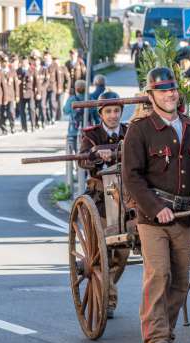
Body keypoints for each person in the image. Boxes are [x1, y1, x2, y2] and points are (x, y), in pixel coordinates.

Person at [122, 67, 190, 343]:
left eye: (172, 89)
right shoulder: (140, 130)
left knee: (180, 280)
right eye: (163, 91)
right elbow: (131, 177)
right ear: (151, 96)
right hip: (152, 216)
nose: (170, 94)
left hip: (185, 215)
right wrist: (156, 209)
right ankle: (155, 337)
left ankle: (167, 333)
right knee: (159, 274)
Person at [77, 91, 130, 320]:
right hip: (101, 196)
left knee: (124, 250)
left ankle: (106, 284)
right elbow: (82, 160)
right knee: (104, 248)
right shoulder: (90, 134)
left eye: (116, 111)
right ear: (101, 114)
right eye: (108, 111)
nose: (113, 115)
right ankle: (108, 298)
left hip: (127, 195)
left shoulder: (130, 132)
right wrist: (97, 154)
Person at [63, 79, 85, 153]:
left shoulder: (72, 99)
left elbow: (66, 111)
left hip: (73, 128)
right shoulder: (90, 98)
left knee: (70, 141)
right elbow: (95, 114)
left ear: (76, 89)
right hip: (87, 129)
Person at [17, 56, 37, 134]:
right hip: (21, 93)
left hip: (30, 92)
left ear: (27, 62)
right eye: (22, 62)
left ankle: (33, 125)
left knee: (31, 109)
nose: (23, 63)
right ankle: (24, 127)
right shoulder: (18, 70)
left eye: (25, 61)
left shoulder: (32, 70)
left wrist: (37, 92)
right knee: (22, 111)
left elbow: (36, 82)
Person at [0, 56, 18, 135]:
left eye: (6, 62)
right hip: (1, 96)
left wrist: (17, 95)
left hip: (11, 95)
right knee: (2, 113)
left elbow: (16, 84)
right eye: (3, 62)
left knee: (11, 112)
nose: (5, 63)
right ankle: (4, 128)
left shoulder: (12, 72)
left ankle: (12, 126)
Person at [43, 52, 58, 125]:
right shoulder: (42, 65)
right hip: (44, 87)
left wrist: (59, 87)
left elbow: (58, 77)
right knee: (44, 104)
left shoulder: (54, 65)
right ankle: (47, 118)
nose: (46, 57)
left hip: (52, 86)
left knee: (52, 102)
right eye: (45, 56)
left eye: (47, 56)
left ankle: (53, 117)